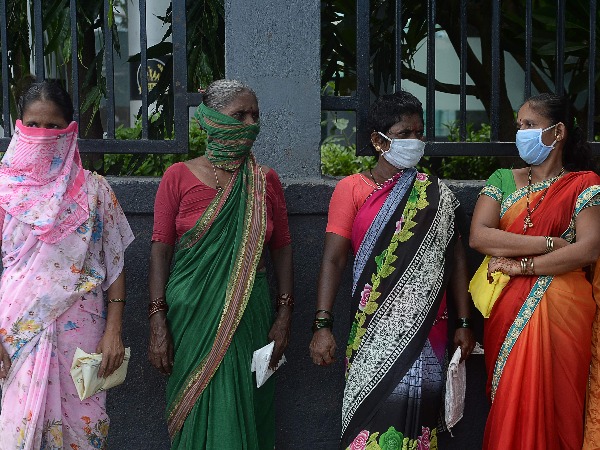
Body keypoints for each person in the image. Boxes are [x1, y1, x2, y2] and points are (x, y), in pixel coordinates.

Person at [309, 90, 475, 449]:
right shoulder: (351, 189)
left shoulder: (437, 194)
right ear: (378, 140)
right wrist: (322, 325)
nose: (415, 141)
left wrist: (464, 322)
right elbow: (334, 259)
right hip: (371, 336)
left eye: (419, 132)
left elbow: (457, 259)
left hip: (427, 332)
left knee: (417, 427)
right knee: (370, 422)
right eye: (404, 133)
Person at [148, 79, 294, 449]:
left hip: (251, 314)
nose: (250, 124)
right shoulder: (177, 177)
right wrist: (157, 320)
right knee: (193, 404)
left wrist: (284, 315)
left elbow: (282, 249)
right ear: (211, 120)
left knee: (246, 404)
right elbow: (160, 249)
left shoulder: (264, 181)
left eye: (255, 116)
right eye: (238, 115)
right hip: (190, 315)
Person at [0, 80, 134, 449]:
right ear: (18, 125)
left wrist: (114, 331)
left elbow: (115, 264)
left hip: (84, 329)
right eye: (34, 125)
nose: (43, 135)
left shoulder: (95, 191)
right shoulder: (2, 190)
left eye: (54, 126)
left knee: (83, 428)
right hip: (16, 330)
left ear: (70, 129)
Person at [469, 93, 600, 449]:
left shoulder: (584, 183)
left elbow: (588, 249)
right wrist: (550, 244)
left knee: (560, 406)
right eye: (519, 125)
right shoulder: (503, 178)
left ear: (557, 132)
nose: (521, 132)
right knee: (514, 400)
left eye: (529, 125)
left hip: (564, 314)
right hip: (506, 309)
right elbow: (480, 235)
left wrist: (524, 266)